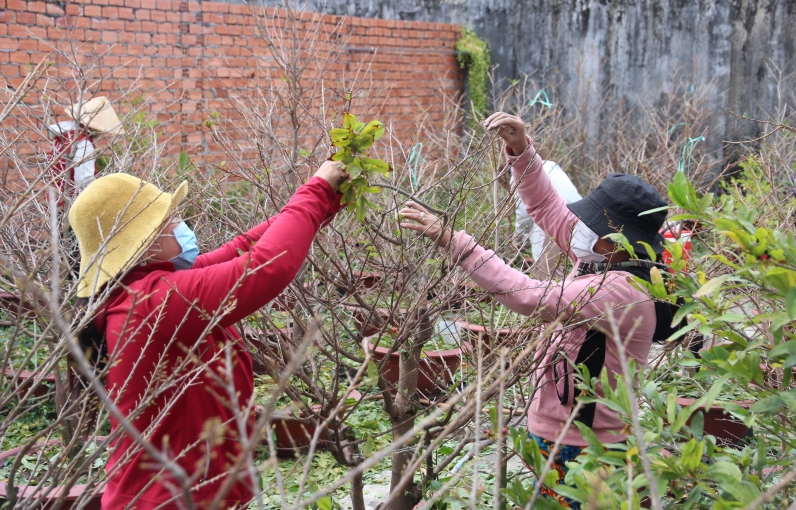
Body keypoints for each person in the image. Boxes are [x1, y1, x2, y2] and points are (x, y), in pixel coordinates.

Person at [400, 112, 682, 509]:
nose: (577, 225)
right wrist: (521, 150)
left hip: (584, 442)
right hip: (562, 429)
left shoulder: (621, 289)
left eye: (590, 223)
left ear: (615, 238)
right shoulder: (605, 258)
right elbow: (548, 207)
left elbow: (528, 294)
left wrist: (455, 241)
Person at [69, 161, 347, 509]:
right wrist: (315, 191)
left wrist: (321, 204)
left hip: (189, 490)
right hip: (170, 499)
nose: (180, 226)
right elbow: (265, 265)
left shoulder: (145, 289)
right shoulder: (152, 302)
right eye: (170, 220)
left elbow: (240, 249)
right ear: (144, 242)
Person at [511, 161, 581, 280]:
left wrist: (518, 238)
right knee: (579, 269)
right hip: (578, 214)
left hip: (553, 219)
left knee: (547, 275)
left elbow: (523, 214)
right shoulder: (551, 165)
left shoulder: (518, 174)